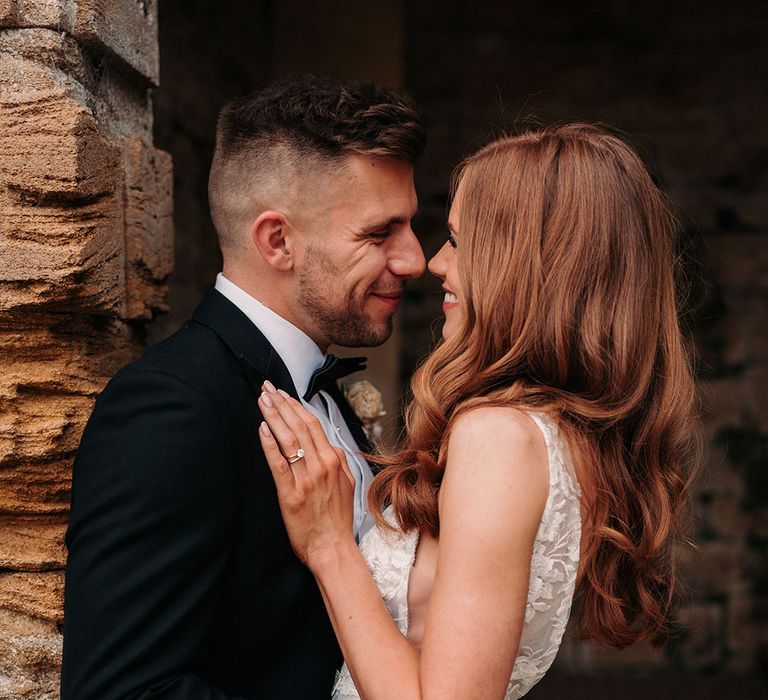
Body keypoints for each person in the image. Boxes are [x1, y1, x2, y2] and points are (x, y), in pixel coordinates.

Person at [256, 123, 699, 699]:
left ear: (525, 269)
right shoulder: (557, 431)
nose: (436, 263)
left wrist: (329, 545)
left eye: (460, 242)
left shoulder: (498, 437)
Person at [61, 76, 426, 699]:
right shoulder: (172, 408)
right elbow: (120, 692)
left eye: (409, 226)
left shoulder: (324, 391)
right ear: (277, 240)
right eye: (378, 233)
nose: (414, 259)